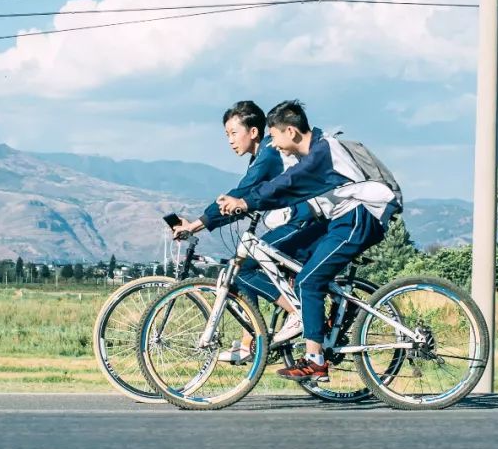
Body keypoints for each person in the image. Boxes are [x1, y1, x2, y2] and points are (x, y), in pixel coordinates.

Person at [218, 100, 400, 383]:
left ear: (290, 132)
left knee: (308, 281)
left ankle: (315, 360)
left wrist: (244, 201)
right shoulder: (310, 154)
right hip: (340, 218)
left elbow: (288, 183)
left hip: (361, 216)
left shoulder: (321, 154)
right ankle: (334, 310)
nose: (273, 144)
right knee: (297, 269)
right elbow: (286, 189)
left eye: (275, 137)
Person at [169, 100, 311, 362]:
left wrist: (196, 224)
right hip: (295, 220)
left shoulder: (269, 153)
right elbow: (250, 197)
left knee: (245, 268)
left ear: (253, 132)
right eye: (227, 135)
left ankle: (298, 314)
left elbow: (242, 193)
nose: (230, 141)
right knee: (244, 266)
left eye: (234, 133)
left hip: (303, 221)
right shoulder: (264, 155)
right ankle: (251, 341)